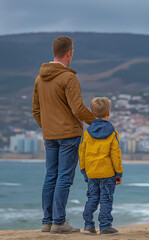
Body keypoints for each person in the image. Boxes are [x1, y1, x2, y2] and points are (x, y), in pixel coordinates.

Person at [32, 36, 95, 234]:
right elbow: (77, 109)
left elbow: (36, 110)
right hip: (69, 134)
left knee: (50, 176)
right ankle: (59, 222)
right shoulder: (69, 77)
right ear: (69, 53)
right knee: (64, 178)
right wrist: (97, 121)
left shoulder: (39, 78)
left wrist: (49, 127)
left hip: (50, 135)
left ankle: (47, 221)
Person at [79, 97, 123, 236]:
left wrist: (83, 170)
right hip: (107, 173)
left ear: (91, 113)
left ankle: (88, 225)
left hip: (91, 172)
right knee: (106, 200)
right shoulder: (112, 133)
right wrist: (119, 173)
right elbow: (115, 154)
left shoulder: (87, 133)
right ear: (108, 113)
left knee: (92, 198)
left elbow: (82, 153)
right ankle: (105, 227)